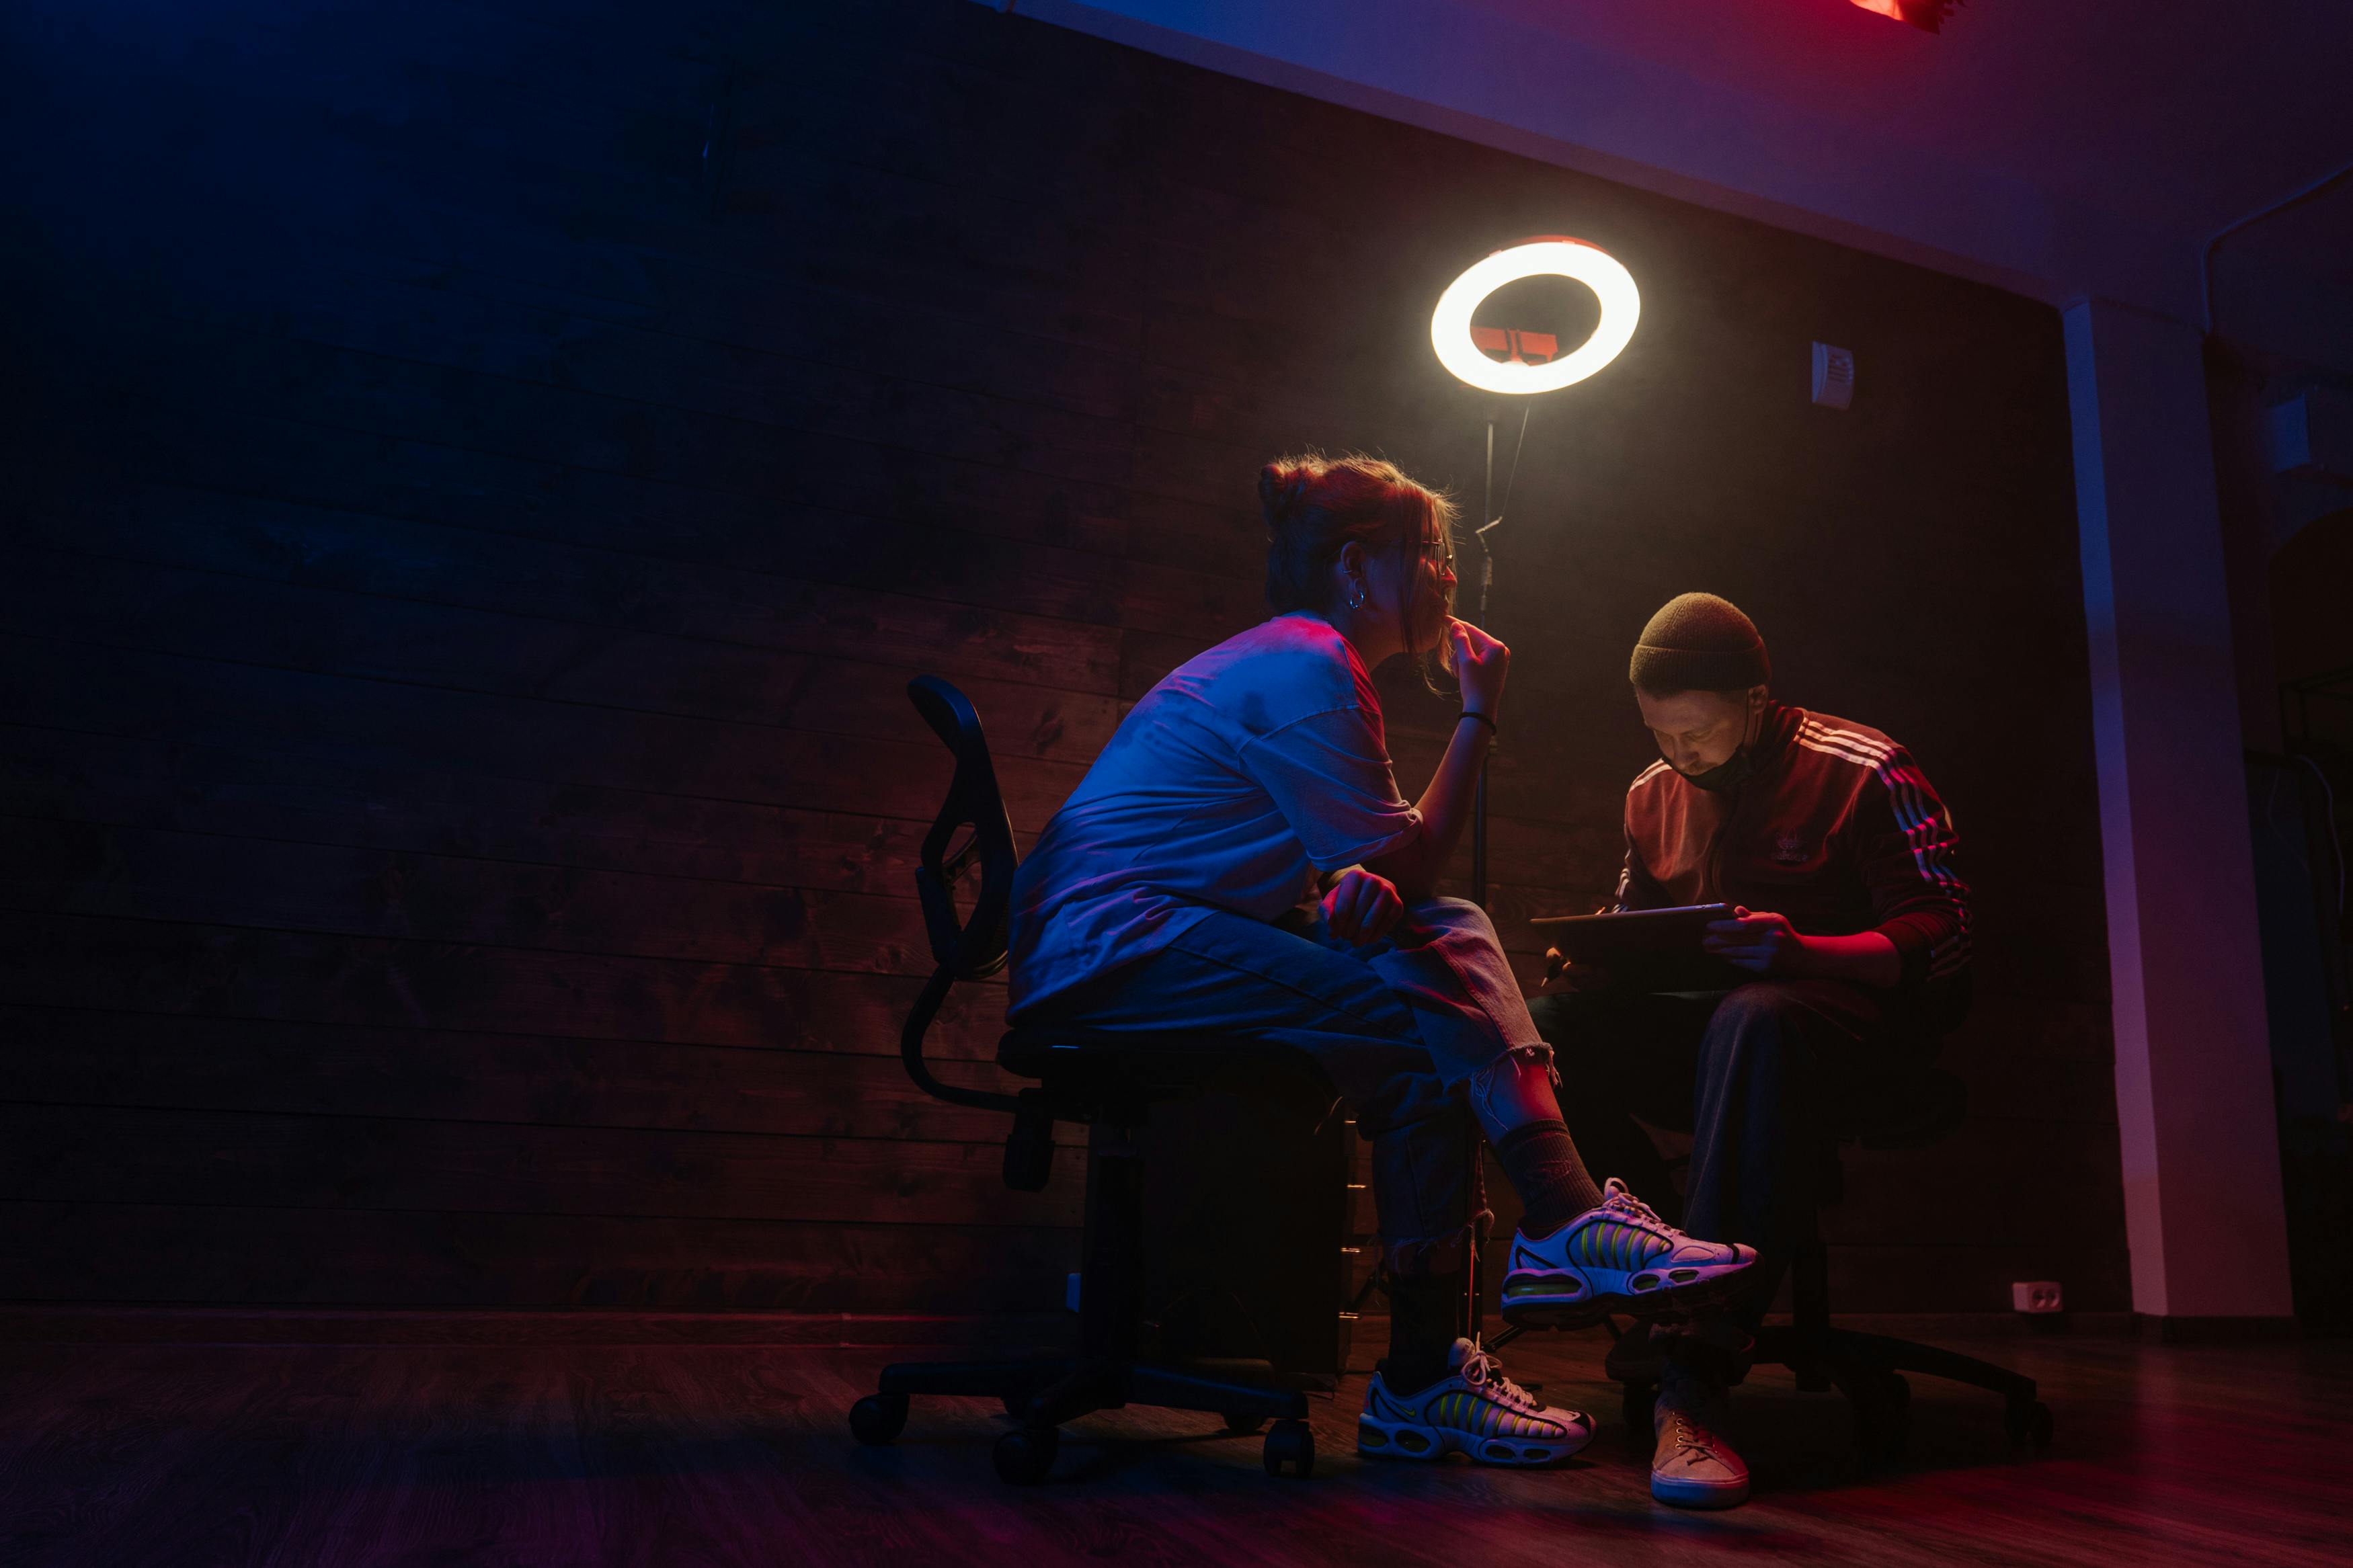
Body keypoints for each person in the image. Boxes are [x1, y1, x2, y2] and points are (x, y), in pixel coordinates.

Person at [1007, 455, 1757, 1473]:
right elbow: (1407, 853)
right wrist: (1478, 713)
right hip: (1114, 943)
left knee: (1440, 942)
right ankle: (1513, 1269)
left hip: (1149, 929)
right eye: (1432, 553)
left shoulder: (1303, 660)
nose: (1451, 574)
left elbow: (1378, 873)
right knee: (1424, 1011)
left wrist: (1347, 892)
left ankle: (1472, 1320)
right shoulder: (1311, 663)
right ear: (1359, 568)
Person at [1528, 592, 1972, 1509]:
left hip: (1852, 1028)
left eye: (1695, 732)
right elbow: (1642, 924)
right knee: (1547, 1028)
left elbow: (1949, 934)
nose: (1676, 755)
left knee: (1758, 1014)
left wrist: (1803, 951)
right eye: (1659, 733)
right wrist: (1593, 956)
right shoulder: (1654, 792)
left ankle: (1694, 1376)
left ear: (1756, 699)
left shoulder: (1864, 768)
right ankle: (1660, 1265)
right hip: (1719, 1030)